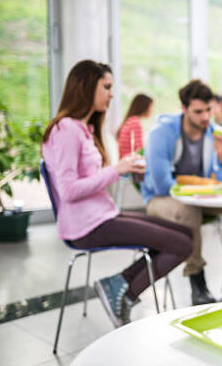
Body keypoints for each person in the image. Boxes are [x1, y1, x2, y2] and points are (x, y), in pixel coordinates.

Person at [42, 60, 192, 328]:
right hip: (87, 226)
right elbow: (68, 190)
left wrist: (123, 169)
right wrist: (116, 169)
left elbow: (92, 180)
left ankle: (118, 284)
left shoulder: (83, 129)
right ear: (87, 86)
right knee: (181, 245)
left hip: (104, 215)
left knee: (186, 235)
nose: (112, 94)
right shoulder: (66, 130)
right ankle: (124, 289)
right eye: (107, 86)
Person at [141, 79, 222, 304]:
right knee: (188, 210)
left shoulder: (212, 132)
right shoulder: (161, 134)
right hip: (161, 200)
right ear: (184, 109)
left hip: (198, 198)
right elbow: (161, 185)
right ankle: (198, 283)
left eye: (208, 110)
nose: (206, 117)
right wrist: (201, 187)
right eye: (198, 111)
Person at [117, 93, 154, 158]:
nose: (152, 110)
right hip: (130, 164)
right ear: (144, 107)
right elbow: (139, 151)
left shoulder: (130, 120)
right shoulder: (135, 123)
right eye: (151, 106)